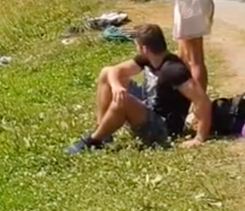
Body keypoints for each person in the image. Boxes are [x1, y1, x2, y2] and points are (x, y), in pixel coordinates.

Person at [66, 23, 211, 154]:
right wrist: (116, 86)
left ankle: (93, 140)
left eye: (136, 45)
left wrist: (199, 138)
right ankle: (103, 131)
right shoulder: (148, 59)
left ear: (144, 48)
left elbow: (202, 101)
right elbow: (114, 71)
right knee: (106, 73)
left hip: (163, 128)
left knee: (123, 101)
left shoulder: (173, 70)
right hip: (150, 106)